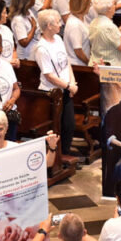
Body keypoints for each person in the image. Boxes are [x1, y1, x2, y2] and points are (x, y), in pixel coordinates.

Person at [35, 9, 77, 159]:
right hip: (52, 92)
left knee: (69, 125)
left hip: (65, 88)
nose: (61, 24)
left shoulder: (58, 39)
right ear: (48, 26)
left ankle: (64, 152)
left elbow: (67, 63)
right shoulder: (41, 48)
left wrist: (72, 82)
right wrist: (67, 86)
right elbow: (48, 75)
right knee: (58, 126)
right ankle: (57, 154)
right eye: (58, 22)